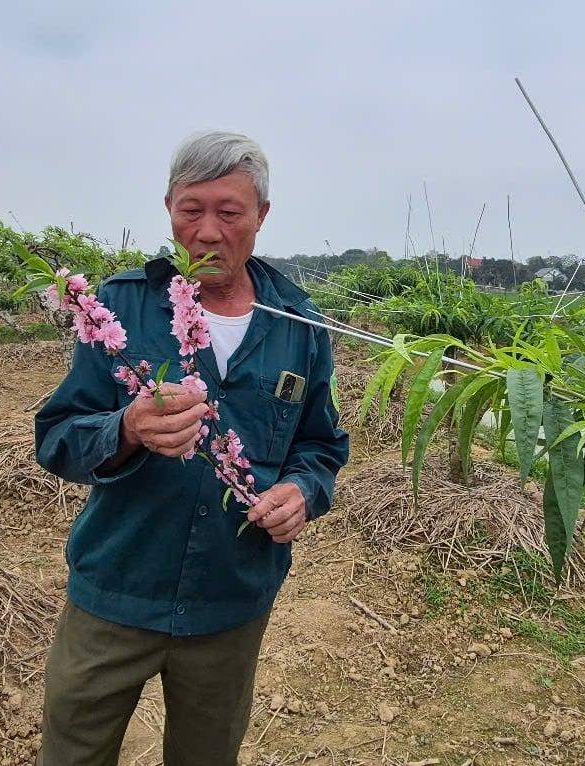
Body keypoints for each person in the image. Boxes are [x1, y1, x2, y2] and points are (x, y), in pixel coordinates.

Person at [33, 130, 350, 765]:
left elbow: (318, 444)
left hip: (228, 599)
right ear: (170, 209)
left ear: (260, 215)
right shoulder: (117, 306)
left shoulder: (301, 324)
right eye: (190, 210)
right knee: (73, 753)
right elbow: (57, 438)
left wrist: (302, 492)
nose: (207, 232)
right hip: (116, 587)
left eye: (229, 213)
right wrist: (125, 428)